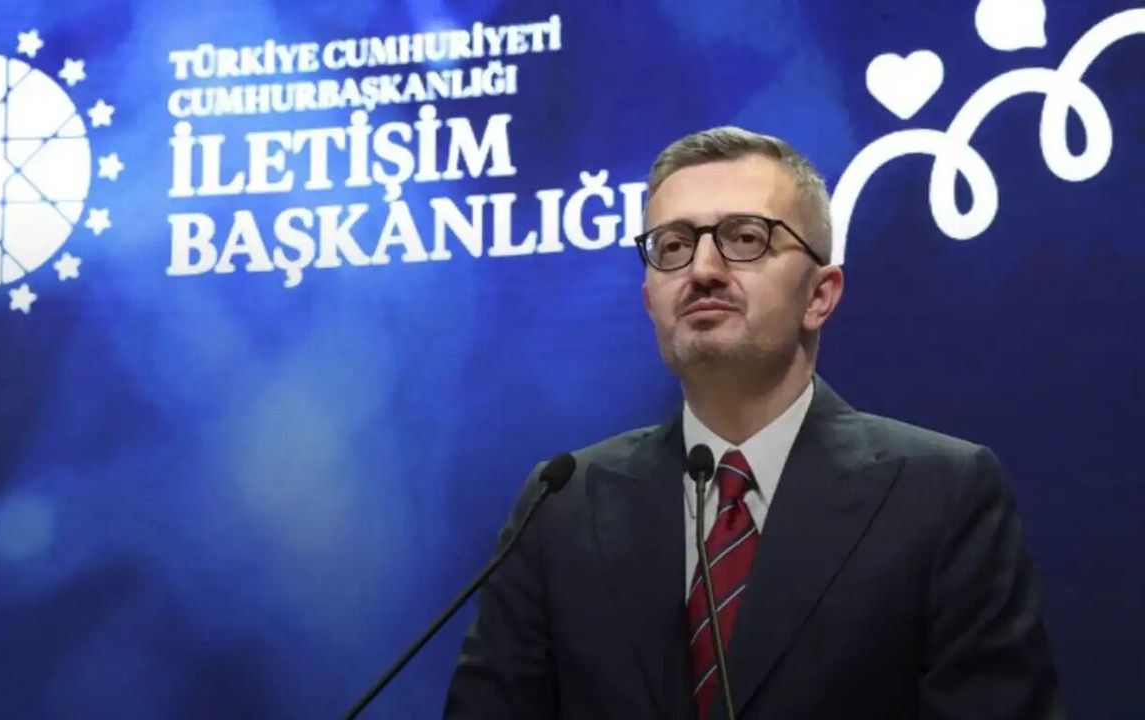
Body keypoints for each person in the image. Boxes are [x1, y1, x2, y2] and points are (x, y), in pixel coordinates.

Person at [444, 127, 1063, 719]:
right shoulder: (563, 505)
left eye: (745, 238)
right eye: (673, 247)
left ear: (820, 295)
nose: (702, 270)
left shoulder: (942, 494)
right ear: (649, 300)